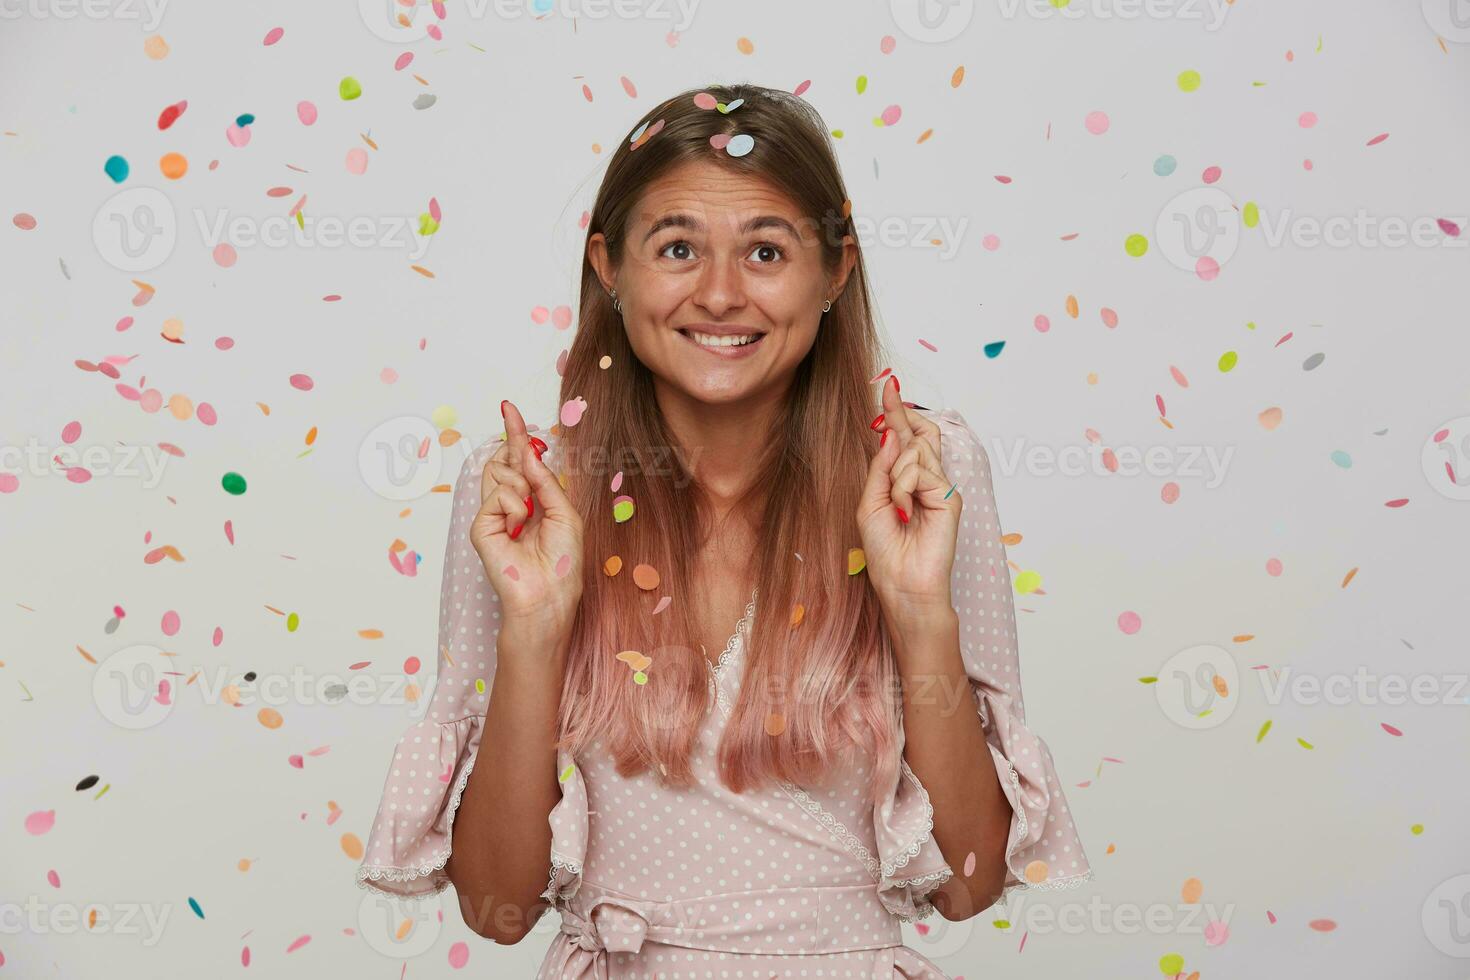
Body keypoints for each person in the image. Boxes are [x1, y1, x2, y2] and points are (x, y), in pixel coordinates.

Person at [356, 82, 1091, 978]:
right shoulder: (527, 488)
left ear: (835, 272)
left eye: (767, 252)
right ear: (609, 267)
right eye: (677, 248)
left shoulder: (922, 469)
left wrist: (918, 611)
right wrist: (536, 632)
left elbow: (969, 883)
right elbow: (496, 907)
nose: (719, 294)